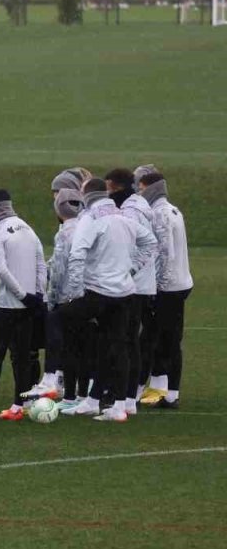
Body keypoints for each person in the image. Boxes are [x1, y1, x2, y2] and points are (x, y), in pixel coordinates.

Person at [59, 179, 157, 422]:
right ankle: (114, 404)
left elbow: (77, 254)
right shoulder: (124, 217)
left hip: (98, 292)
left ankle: (60, 382)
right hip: (124, 293)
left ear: (86, 195)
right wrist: (132, 269)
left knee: (58, 320)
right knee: (117, 346)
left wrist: (74, 292)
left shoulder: (90, 218)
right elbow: (151, 242)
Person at [0, 190, 46, 422]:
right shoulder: (28, 229)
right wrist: (36, 295)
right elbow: (41, 264)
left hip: (5, 305)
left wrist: (22, 295)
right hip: (28, 306)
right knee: (22, 356)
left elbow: (1, 270)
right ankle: (19, 405)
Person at [137, 171, 193, 409]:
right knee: (163, 339)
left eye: (140, 187)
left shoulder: (159, 214)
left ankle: (168, 394)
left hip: (168, 288)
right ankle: (162, 390)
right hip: (181, 283)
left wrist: (156, 289)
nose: (138, 192)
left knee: (161, 340)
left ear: (149, 188)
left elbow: (164, 254)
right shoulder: (173, 210)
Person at [105, 167, 157, 415]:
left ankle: (124, 397)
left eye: (108, 188)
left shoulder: (131, 212)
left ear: (116, 187)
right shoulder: (139, 206)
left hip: (133, 286)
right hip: (140, 284)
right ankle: (127, 396)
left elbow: (142, 245)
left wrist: (126, 270)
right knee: (130, 340)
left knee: (125, 340)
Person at [44, 189, 89, 408]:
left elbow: (59, 270)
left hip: (68, 297)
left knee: (70, 348)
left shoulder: (64, 233)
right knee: (85, 346)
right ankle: (84, 394)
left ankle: (70, 397)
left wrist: (51, 300)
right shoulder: (87, 226)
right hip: (89, 294)